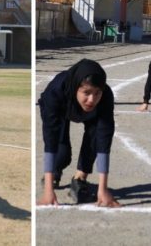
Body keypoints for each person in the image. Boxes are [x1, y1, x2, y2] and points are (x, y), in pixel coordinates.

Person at [38, 59, 120, 207]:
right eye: (86, 92)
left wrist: (103, 189)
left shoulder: (105, 97)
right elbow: (50, 141)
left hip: (88, 114)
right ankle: (53, 174)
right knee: (62, 154)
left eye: (97, 93)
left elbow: (103, 141)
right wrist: (48, 191)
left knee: (95, 137)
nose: (92, 99)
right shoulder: (55, 92)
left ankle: (80, 178)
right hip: (62, 108)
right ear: (76, 88)